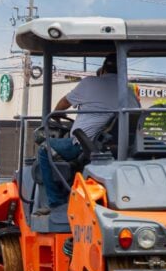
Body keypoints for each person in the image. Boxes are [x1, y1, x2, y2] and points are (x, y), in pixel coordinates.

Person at [36, 54, 136, 211]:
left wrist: (55, 114)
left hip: (86, 144)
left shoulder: (89, 83)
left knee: (44, 149)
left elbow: (64, 103)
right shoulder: (128, 91)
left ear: (102, 70)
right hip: (117, 145)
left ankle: (55, 202)